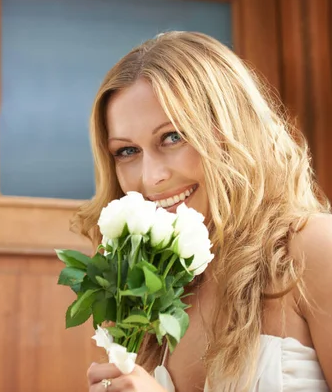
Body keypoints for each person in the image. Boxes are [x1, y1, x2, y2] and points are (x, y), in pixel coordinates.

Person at [74, 31, 332, 391]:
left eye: (172, 137)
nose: (152, 177)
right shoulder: (145, 288)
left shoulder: (314, 249)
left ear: (233, 131)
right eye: (127, 151)